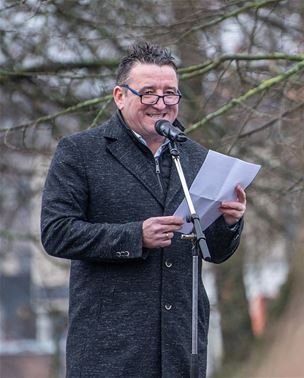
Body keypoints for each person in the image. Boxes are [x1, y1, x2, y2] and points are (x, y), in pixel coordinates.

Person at [40, 42, 246, 378]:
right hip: (110, 349)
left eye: (170, 94)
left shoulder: (195, 157)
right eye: (148, 93)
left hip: (182, 347)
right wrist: (135, 236)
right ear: (120, 96)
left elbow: (215, 253)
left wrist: (229, 221)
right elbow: (56, 233)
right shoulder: (79, 152)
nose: (161, 104)